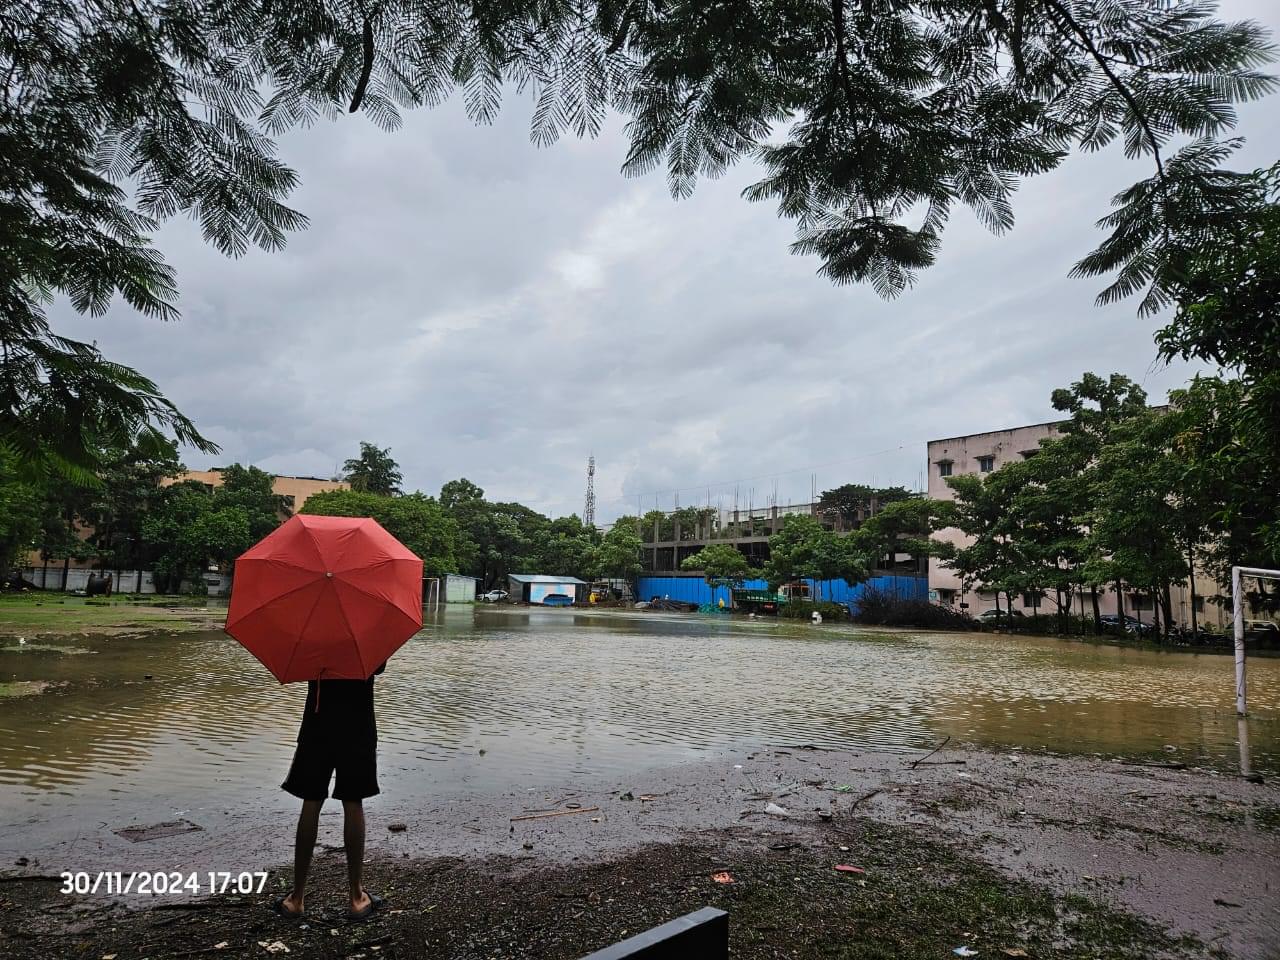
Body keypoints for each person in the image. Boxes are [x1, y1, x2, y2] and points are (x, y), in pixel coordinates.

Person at [274, 662, 387, 921]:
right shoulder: (367, 629)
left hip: (317, 723)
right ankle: (357, 898)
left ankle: (297, 898)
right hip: (358, 724)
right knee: (353, 801)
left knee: (311, 800)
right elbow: (378, 666)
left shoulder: (312, 629)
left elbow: (302, 667)